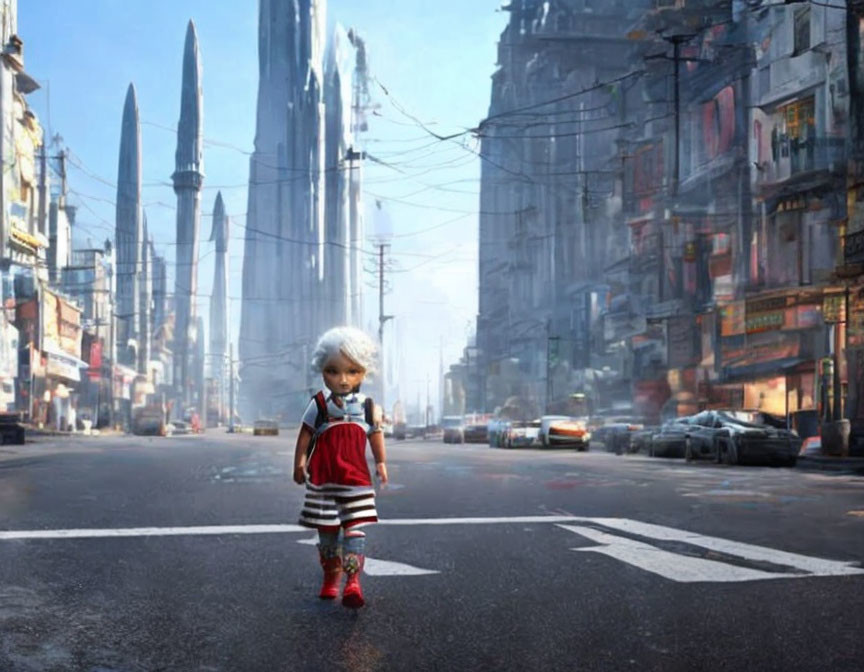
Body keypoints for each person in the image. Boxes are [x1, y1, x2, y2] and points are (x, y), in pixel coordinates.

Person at [293, 326, 388, 609]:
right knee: (327, 536)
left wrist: (381, 462)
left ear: (364, 371)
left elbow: (375, 435)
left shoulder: (369, 407)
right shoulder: (319, 404)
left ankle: (353, 583)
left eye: (352, 371)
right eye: (333, 371)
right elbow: (306, 434)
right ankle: (330, 579)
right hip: (323, 480)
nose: (343, 379)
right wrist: (299, 462)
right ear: (322, 369)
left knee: (355, 531)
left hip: (355, 480)